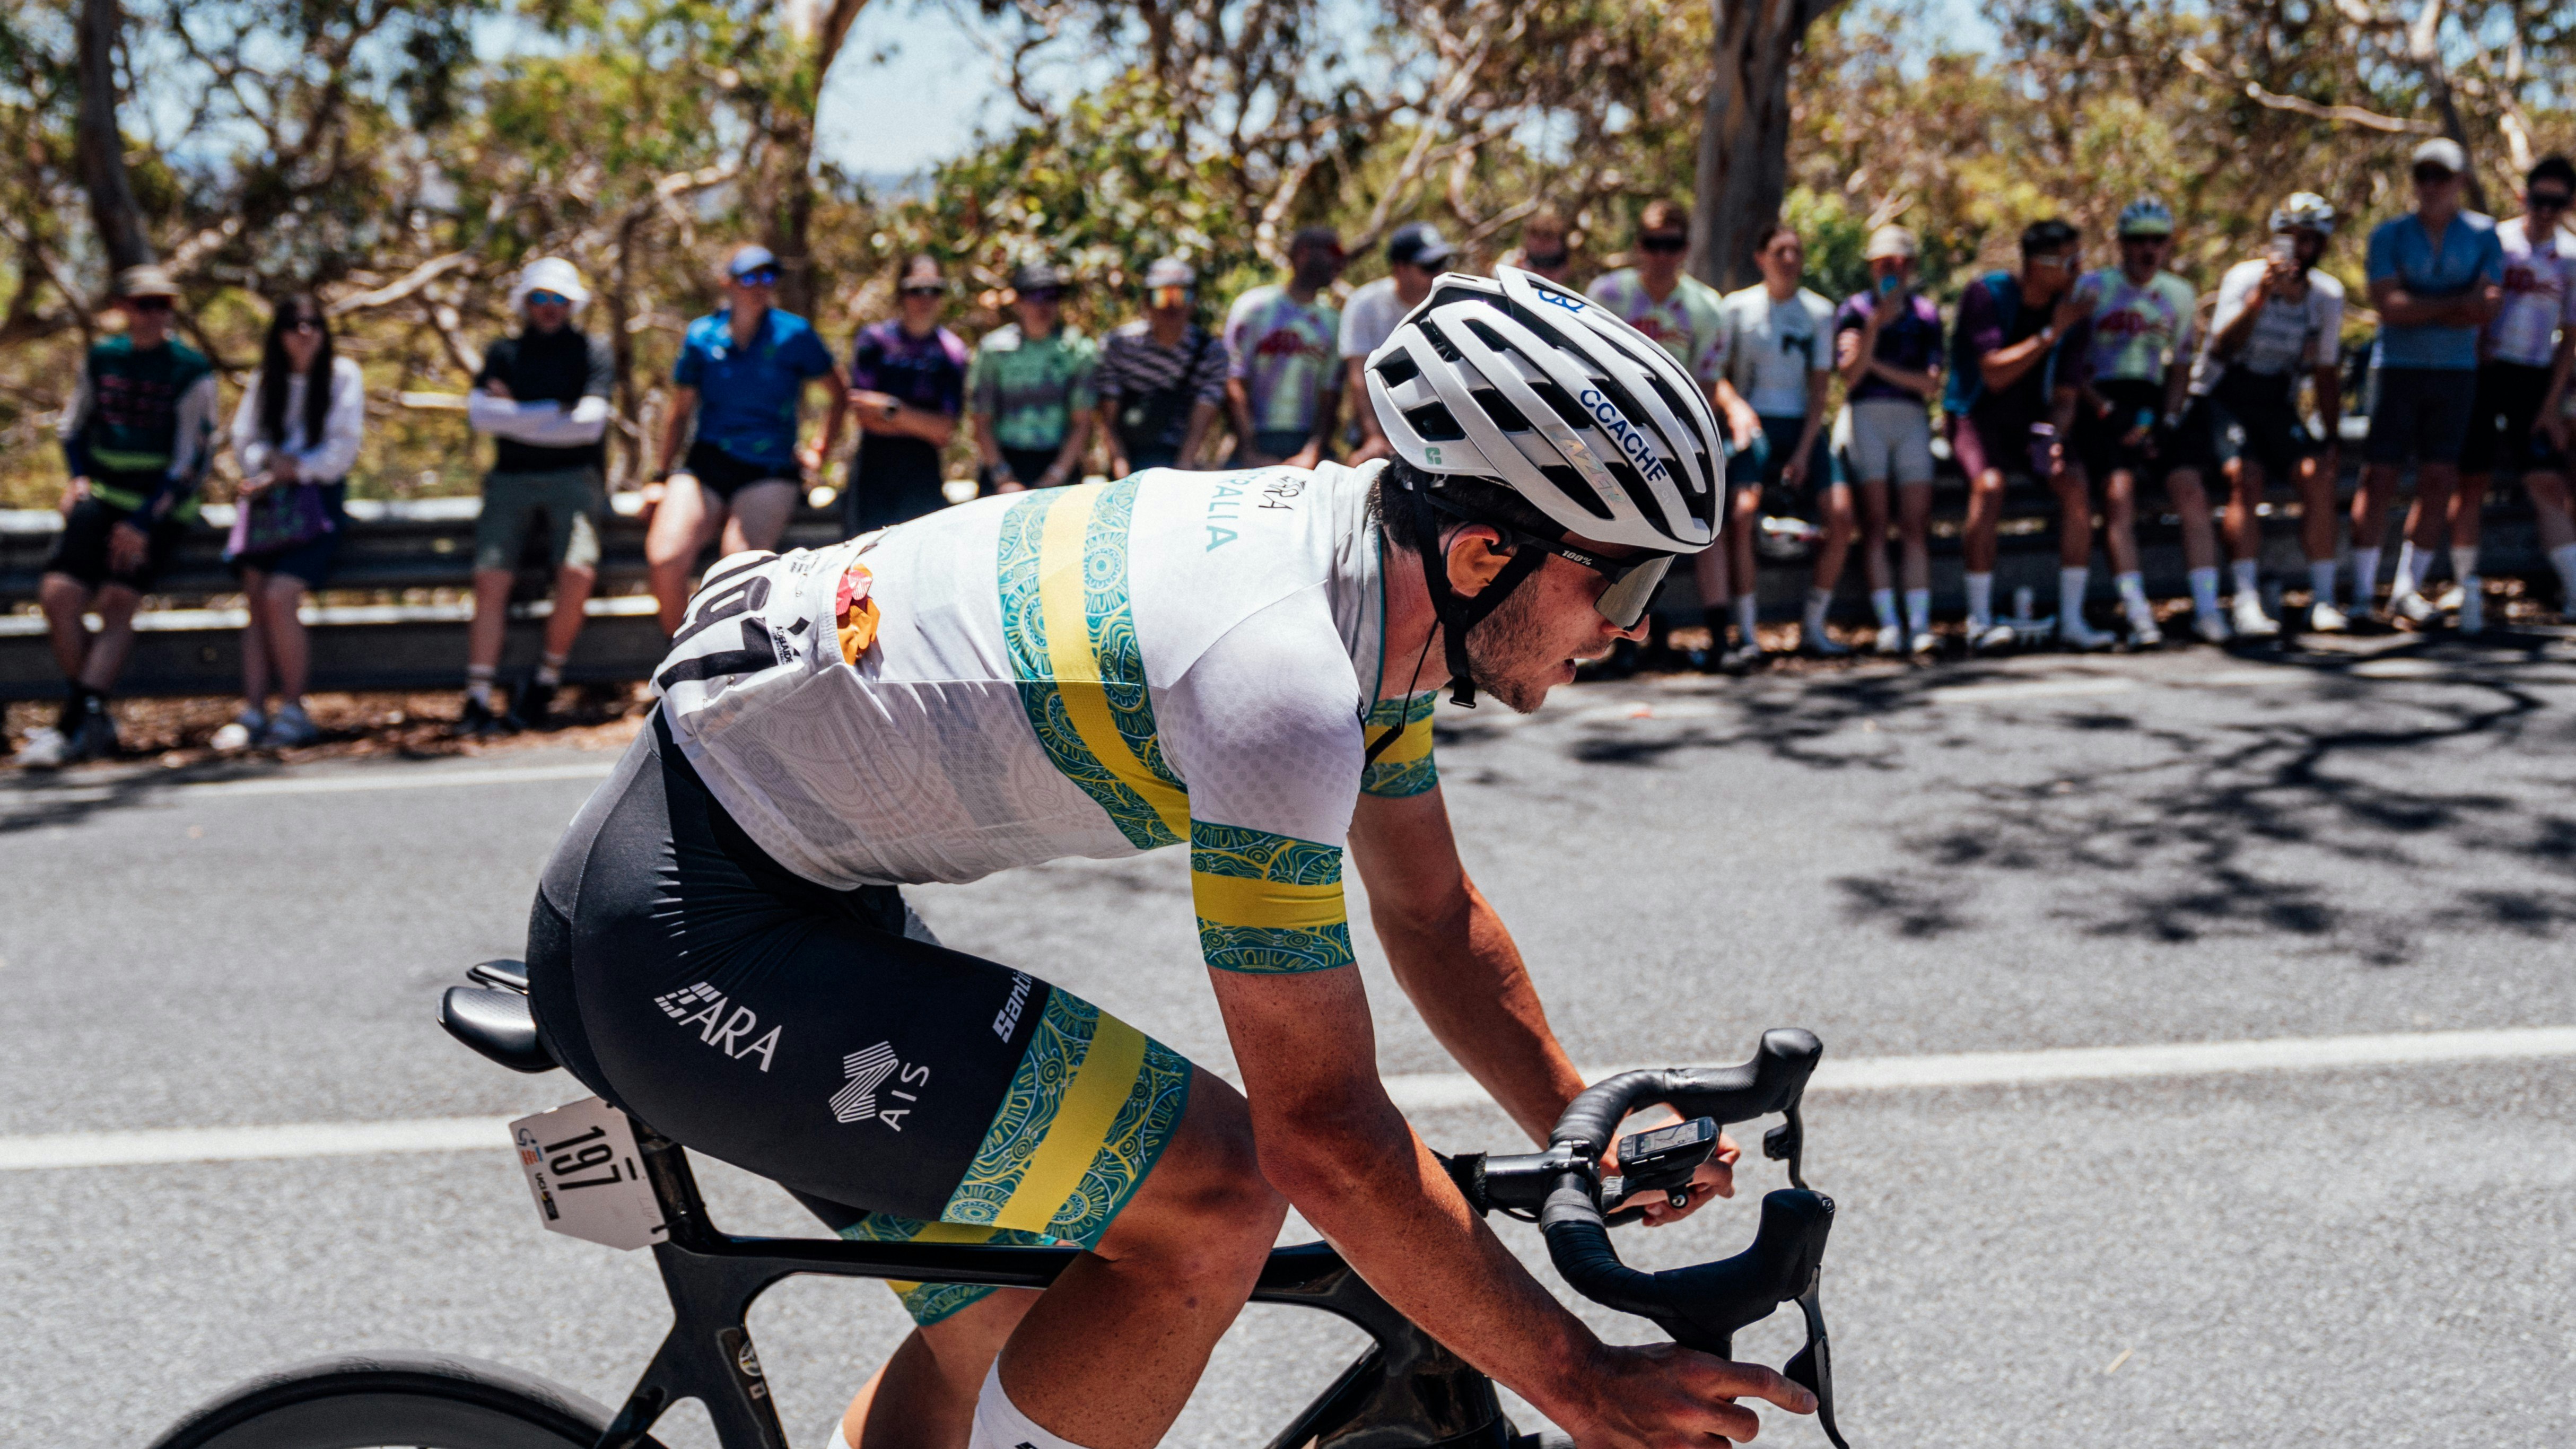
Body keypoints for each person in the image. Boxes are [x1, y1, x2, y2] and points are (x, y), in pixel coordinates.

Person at [519, 265, 1818, 1449]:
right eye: (1628, 584)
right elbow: (1323, 1142)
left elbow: (1426, 913)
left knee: (1000, 1304)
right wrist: (1582, 1383)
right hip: (687, 935)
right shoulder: (1281, 679)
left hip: (765, 876)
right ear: (1486, 551)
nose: (1633, 629)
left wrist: (1576, 1123)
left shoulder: (1375, 584)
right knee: (1216, 1191)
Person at [17, 265, 217, 769]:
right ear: (123, 308)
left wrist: (145, 522)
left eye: (164, 305)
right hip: (104, 494)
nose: (155, 315)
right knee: (59, 597)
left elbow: (191, 460)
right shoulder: (103, 359)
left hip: (159, 505)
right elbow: (72, 427)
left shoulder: (191, 371)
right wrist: (79, 478)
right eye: (145, 304)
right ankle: (92, 715)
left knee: (116, 601)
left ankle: (68, 727)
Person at [1590, 199, 1762, 667]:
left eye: (1671, 245)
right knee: (1627, 534)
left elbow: (1706, 382)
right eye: (1651, 244)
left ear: (1684, 249)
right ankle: (1622, 642)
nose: (1661, 255)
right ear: (1637, 247)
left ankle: (1719, 637)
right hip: (1616, 432)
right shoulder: (1606, 295)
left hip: (1680, 435)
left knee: (1708, 530)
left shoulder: (1706, 307)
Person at [647, 245, 847, 635]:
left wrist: (818, 451)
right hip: (706, 463)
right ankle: (681, 658)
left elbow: (839, 393)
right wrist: (659, 475)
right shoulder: (702, 335)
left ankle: (721, 672)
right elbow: (680, 411)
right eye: (749, 277)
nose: (760, 286)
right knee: (665, 559)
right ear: (728, 283)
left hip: (768, 467)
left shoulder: (794, 335)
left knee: (734, 567)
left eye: (768, 277)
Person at [459, 256, 616, 736]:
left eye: (559, 300)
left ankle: (546, 680)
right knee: (491, 579)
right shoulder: (504, 353)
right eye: (540, 298)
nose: (549, 308)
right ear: (525, 303)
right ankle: (478, 696)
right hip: (510, 479)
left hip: (575, 479)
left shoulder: (593, 351)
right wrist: (556, 414)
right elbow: (482, 417)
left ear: (572, 304)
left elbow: (589, 427)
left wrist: (520, 414)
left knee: (576, 570)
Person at [2351, 137, 2505, 624]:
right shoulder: (2389, 235)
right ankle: (2359, 592)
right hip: (2395, 369)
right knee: (2379, 476)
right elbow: (2388, 308)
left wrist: (2422, 306)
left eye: (2442, 176)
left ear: (2461, 180)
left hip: (2457, 374)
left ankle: (2406, 589)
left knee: (2440, 478)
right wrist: (2452, 304)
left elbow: (2483, 309)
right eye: (2423, 175)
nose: (2431, 186)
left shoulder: (2483, 235)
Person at [2178, 193, 2346, 636]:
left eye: (2312, 241)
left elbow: (2326, 373)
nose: (2302, 250)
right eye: (2294, 239)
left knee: (2317, 476)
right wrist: (2259, 299)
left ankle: (2323, 598)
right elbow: (2220, 349)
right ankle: (2246, 600)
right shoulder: (2245, 279)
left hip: (2276, 400)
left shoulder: (2326, 297)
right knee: (2245, 477)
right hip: (2224, 395)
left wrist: (2330, 437)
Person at [2057, 197, 2219, 647]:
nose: (2147, 250)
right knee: (2119, 497)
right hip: (2100, 398)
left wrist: (2164, 419)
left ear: (2168, 245)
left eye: (2157, 240)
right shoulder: (2093, 288)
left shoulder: (2179, 295)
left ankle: (2207, 610)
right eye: (2137, 241)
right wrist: (2105, 411)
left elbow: (2181, 365)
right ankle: (2138, 613)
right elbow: (2069, 360)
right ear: (2121, 245)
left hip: (2150, 399)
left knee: (2189, 489)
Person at [222, 294, 363, 750]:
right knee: (256, 595)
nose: (305, 334)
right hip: (269, 503)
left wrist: (296, 469)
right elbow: (245, 439)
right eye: (294, 325)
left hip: (317, 502)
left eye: (314, 325)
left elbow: (341, 453)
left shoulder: (343, 376)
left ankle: (294, 707)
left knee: (281, 596)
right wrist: (270, 464)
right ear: (279, 334)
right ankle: (252, 710)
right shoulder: (267, 380)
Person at [1945, 219, 2093, 651]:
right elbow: (1993, 374)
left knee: (2074, 484)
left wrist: (2055, 435)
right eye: (2069, 260)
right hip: (1975, 418)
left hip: (2031, 425)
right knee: (1989, 486)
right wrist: (2051, 333)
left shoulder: (2073, 314)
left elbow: (2065, 395)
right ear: (2038, 265)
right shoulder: (1987, 294)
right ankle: (1979, 620)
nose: (2078, 269)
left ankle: (2072, 619)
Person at [2449, 155, 2576, 633]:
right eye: (2538, 200)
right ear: (2523, 196)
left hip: (2534, 379)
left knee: (2547, 481)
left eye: (2556, 202)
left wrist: (2551, 407)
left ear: (2569, 204)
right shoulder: (2495, 242)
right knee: (2470, 483)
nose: (2545, 211)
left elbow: (2570, 336)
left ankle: (2573, 589)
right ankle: (2466, 594)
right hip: (2481, 373)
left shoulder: (2570, 257)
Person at [1718, 223, 1844, 655]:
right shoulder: (1736, 309)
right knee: (1740, 514)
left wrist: (1807, 449)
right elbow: (1718, 376)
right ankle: (1748, 633)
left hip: (1802, 425)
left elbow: (1820, 388)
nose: (1788, 260)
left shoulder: (1820, 312)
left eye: (1795, 252)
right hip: (1754, 424)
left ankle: (1813, 625)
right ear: (1761, 258)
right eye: (1779, 251)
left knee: (1842, 514)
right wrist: (1739, 412)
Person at [1834, 225, 1945, 657]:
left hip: (1910, 421)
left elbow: (1929, 384)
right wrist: (1875, 330)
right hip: (1866, 420)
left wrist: (1876, 363)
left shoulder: (1926, 315)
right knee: (1876, 523)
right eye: (1882, 263)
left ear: (1911, 266)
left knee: (1914, 524)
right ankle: (1888, 623)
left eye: (1898, 263)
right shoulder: (1854, 311)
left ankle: (1919, 622)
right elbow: (1849, 375)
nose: (1890, 271)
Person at [845, 255, 971, 535]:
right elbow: (864, 415)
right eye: (916, 289)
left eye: (934, 290)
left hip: (922, 474)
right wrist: (921, 423)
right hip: (872, 471)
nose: (925, 298)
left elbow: (944, 430)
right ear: (901, 292)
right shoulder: (874, 340)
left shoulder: (953, 352)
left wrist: (891, 409)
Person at [969, 261, 1098, 493]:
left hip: (1059, 465)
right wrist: (1003, 478)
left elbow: (1082, 423)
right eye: (1035, 296)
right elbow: (980, 421)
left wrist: (1054, 478)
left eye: (1052, 296)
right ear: (1017, 302)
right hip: (1004, 463)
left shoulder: (1078, 350)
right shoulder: (994, 350)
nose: (1044, 306)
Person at [1095, 256, 1228, 475]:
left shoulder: (1212, 354)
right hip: (1128, 457)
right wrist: (1124, 476)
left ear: (1194, 301)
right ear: (1147, 301)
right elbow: (1107, 421)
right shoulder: (1118, 346)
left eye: (1181, 296)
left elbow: (1199, 428)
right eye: (1162, 296)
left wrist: (1180, 473)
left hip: (1177, 461)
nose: (1171, 307)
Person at [1224, 226, 1344, 468]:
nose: (1339, 261)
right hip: (1254, 437)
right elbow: (1234, 382)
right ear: (1303, 254)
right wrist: (1248, 451)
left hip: (1305, 443)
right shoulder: (1254, 308)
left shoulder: (1333, 321)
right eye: (1333, 252)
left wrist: (1313, 452)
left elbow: (1330, 394)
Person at [1340, 224, 1456, 466]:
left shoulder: (1452, 305)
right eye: (1429, 267)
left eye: (1443, 264)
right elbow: (1359, 380)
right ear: (1399, 269)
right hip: (1380, 431)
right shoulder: (1365, 304)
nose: (1440, 273)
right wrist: (1373, 438)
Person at [1496, 203, 1578, 287]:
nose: (1540, 240)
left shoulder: (1574, 277)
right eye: (1534, 231)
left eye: (1548, 234)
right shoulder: (1510, 262)